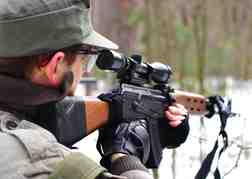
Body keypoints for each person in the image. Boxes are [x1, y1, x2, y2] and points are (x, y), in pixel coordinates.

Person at [0, 0, 189, 179]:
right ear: (55, 64)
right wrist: (124, 155)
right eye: (85, 60)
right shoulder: (41, 161)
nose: (84, 69)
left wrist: (154, 130)